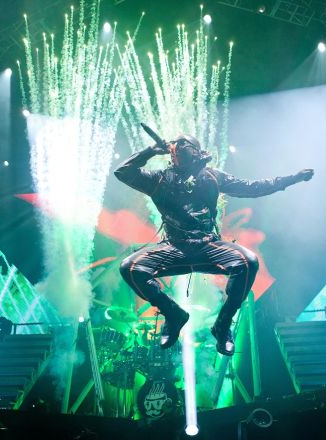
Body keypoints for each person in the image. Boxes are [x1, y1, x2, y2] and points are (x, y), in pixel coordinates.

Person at [115, 135, 314, 355]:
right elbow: (123, 172)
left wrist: (292, 179)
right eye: (175, 145)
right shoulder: (160, 179)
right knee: (130, 268)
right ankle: (173, 314)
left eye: (184, 143)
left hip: (207, 246)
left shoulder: (212, 176)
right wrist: (151, 151)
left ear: (198, 152)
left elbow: (253, 187)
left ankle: (223, 324)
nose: (177, 147)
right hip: (173, 247)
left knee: (248, 262)